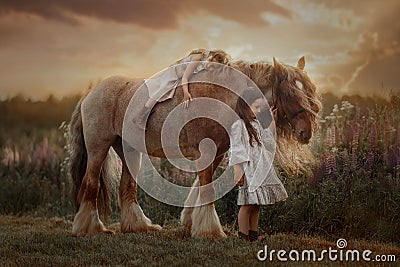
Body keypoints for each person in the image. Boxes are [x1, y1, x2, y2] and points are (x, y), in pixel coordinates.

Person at [228, 88, 288, 242]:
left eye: (260, 107)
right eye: (256, 107)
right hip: (248, 170)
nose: (258, 110)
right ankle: (243, 236)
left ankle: (253, 235)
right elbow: (236, 149)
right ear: (245, 105)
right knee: (247, 204)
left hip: (260, 168)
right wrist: (237, 170)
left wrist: (272, 122)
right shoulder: (238, 125)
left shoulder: (256, 124)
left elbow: (268, 140)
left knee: (256, 204)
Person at [133, 48, 231, 130]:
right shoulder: (198, 59)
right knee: (162, 90)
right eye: (211, 64)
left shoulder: (207, 65)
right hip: (174, 73)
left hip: (181, 77)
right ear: (210, 57)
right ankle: (140, 115)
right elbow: (185, 77)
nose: (210, 68)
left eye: (214, 68)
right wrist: (186, 93)